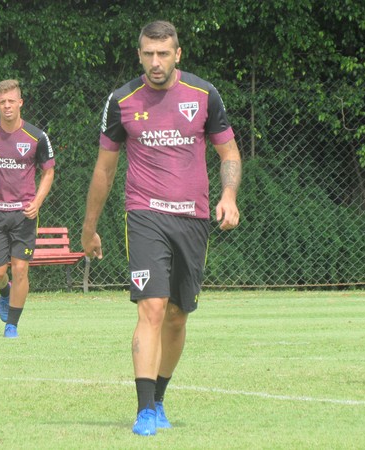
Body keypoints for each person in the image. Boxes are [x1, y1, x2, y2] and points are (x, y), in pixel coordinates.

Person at [81, 21, 241, 436]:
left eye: (163, 53)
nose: (156, 62)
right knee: (151, 308)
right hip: (144, 213)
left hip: (193, 217)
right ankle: (144, 409)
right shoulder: (121, 101)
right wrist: (89, 227)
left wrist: (229, 196)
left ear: (178, 54)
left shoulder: (205, 95)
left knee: (176, 316)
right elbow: (105, 168)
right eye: (148, 54)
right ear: (139, 55)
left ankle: (161, 397)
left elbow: (229, 151)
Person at [0, 79, 55, 338]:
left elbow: (48, 172)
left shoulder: (36, 136)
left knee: (20, 268)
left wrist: (37, 202)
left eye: (11, 101)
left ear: (20, 103)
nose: (7, 106)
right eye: (2, 102)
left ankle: (12, 326)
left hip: (24, 214)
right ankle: (4, 292)